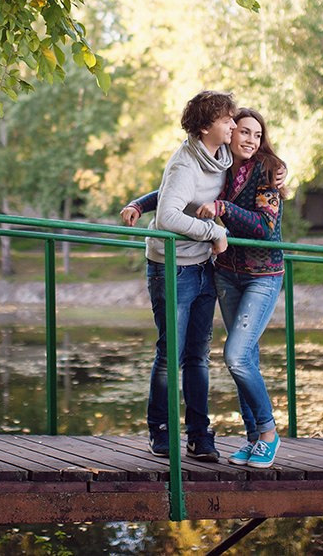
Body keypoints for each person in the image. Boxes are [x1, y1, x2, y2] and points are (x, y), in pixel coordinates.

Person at [122, 107, 286, 468]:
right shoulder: (222, 162)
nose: (247, 138)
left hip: (260, 273)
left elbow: (262, 227)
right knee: (233, 357)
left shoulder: (268, 170)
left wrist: (222, 208)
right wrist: (140, 203)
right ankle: (250, 438)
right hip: (224, 272)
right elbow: (177, 192)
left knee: (236, 356)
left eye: (256, 135)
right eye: (241, 130)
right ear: (224, 131)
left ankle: (266, 434)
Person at [135, 90, 236, 462]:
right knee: (170, 354)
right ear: (207, 125)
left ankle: (198, 434)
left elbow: (167, 196)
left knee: (198, 356)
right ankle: (159, 430)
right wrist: (215, 232)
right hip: (172, 267)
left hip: (203, 266)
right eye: (226, 119)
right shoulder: (184, 163)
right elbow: (168, 217)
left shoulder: (220, 156)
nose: (232, 125)